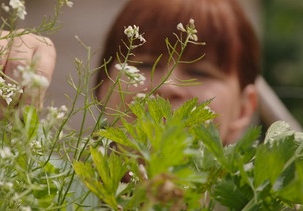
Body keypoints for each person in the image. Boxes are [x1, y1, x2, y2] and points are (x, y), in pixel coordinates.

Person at [95, 0, 260, 145]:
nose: (168, 86)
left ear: (244, 109)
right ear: (103, 84)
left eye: (199, 73)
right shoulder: (70, 179)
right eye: (145, 65)